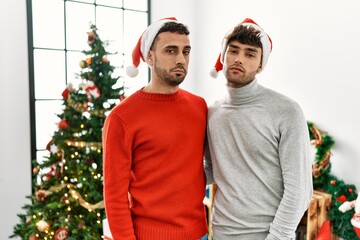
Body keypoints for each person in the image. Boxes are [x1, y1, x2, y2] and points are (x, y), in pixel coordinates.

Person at [204, 18, 313, 240]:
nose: (238, 59)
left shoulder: (286, 111)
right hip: (221, 231)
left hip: (268, 235)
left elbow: (300, 190)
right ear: (223, 57)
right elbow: (212, 169)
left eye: (250, 54)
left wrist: (277, 237)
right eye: (233, 51)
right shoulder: (213, 112)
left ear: (261, 64)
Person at [102, 17, 208, 240]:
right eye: (170, 51)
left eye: (186, 51)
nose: (181, 59)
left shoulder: (199, 107)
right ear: (149, 56)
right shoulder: (122, 117)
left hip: (199, 234)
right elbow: (114, 195)